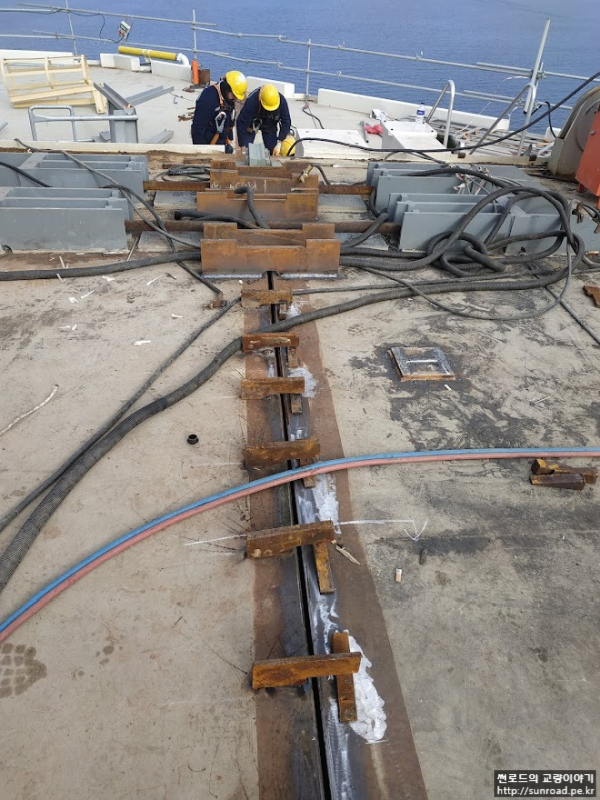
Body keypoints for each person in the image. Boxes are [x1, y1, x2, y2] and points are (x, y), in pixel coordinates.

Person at [191, 71, 247, 152]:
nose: (235, 99)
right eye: (234, 95)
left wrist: (229, 137)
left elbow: (229, 118)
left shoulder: (228, 98)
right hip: (209, 143)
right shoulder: (208, 99)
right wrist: (201, 152)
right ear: (226, 89)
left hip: (221, 138)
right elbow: (197, 129)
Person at [236, 84, 291, 156]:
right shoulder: (252, 101)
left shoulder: (281, 101)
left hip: (270, 123)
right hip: (252, 123)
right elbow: (241, 123)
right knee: (247, 151)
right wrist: (242, 145)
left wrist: (279, 143)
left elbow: (286, 121)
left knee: (273, 151)